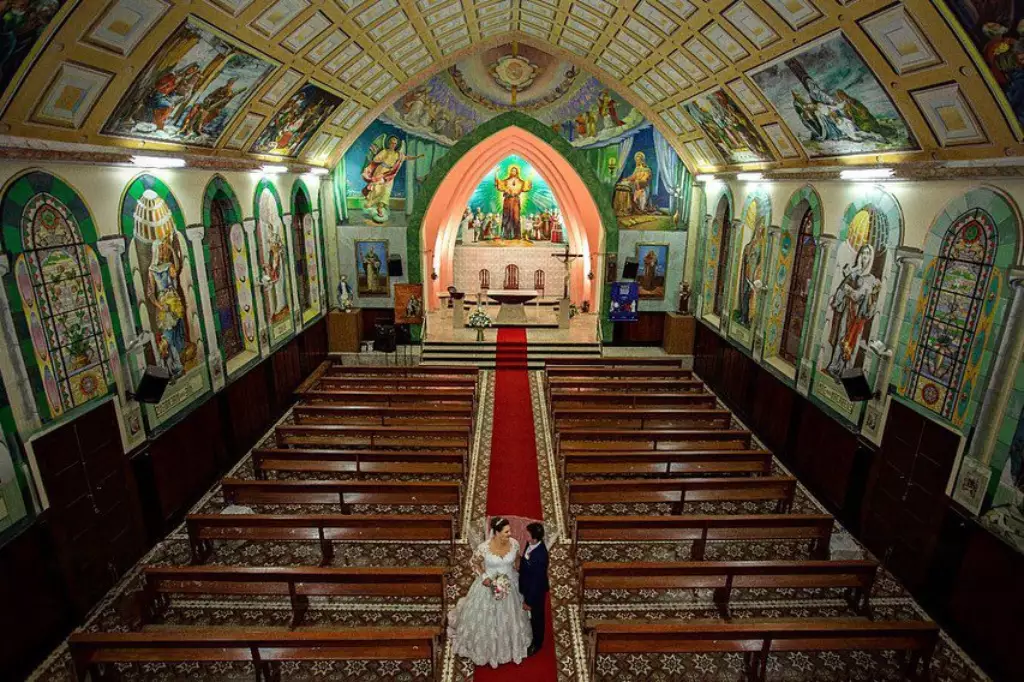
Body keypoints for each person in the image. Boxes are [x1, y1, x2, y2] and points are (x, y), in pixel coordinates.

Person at [447, 517, 533, 667]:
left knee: (511, 615)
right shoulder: (484, 547)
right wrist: (484, 577)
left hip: (510, 584)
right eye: (506, 531)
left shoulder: (514, 544)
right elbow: (473, 563)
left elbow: (517, 561)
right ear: (496, 533)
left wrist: (524, 571)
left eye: (509, 530)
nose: (510, 533)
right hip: (489, 585)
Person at [519, 522, 549, 657]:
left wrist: (529, 602)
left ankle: (537, 643)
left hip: (535, 593)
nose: (525, 535)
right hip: (527, 583)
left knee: (537, 618)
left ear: (535, 538)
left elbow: (536, 583)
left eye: (527, 534)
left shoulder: (540, 557)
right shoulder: (530, 543)